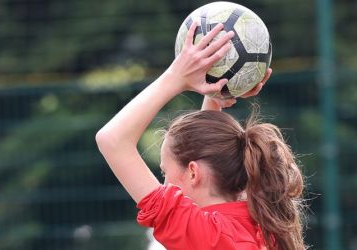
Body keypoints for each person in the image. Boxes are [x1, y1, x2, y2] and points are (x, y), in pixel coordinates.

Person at [95, 22, 305, 250]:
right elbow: (206, 145)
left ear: (194, 172)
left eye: (165, 172)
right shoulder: (261, 226)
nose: (163, 183)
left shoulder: (206, 235)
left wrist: (177, 76)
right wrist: (217, 92)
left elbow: (112, 140)